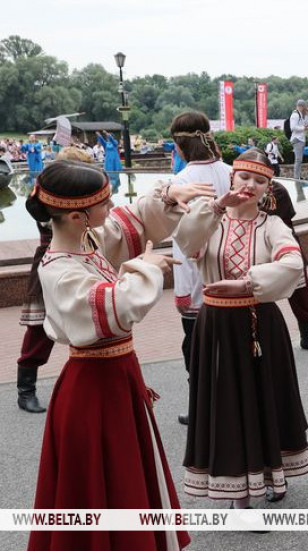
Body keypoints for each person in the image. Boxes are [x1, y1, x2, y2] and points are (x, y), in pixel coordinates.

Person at [26, 160, 213, 551]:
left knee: (120, 477)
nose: (112, 207)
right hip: (94, 390)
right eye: (104, 203)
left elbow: (128, 224)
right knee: (105, 480)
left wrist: (166, 199)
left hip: (113, 379)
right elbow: (113, 308)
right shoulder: (60, 272)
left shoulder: (85, 245)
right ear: (78, 216)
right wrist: (146, 270)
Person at [177, 149, 308, 509]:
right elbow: (187, 242)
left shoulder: (273, 225)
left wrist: (248, 284)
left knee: (264, 397)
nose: (250, 185)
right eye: (244, 177)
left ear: (268, 188)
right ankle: (237, 489)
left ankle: (270, 473)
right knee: (226, 402)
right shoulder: (210, 218)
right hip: (216, 323)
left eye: (260, 180)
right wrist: (217, 205)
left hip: (259, 325)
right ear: (232, 178)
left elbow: (294, 262)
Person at [15, 147, 96, 414]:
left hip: (82, 258)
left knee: (90, 321)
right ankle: (25, 391)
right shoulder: (46, 196)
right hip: (51, 261)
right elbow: (46, 218)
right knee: (39, 329)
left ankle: (90, 385)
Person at [167, 111, 233, 426]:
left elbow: (181, 239)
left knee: (195, 347)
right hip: (233, 270)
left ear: (178, 148)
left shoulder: (180, 183)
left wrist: (182, 291)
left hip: (196, 278)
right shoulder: (232, 173)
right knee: (230, 342)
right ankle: (235, 399)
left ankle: (202, 405)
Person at [263, 178, 308, 352]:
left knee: (300, 293)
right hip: (259, 250)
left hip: (286, 248)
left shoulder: (277, 190)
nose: (251, 182)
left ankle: (307, 337)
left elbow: (273, 217)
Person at [289, 99, 308, 179]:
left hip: (301, 139)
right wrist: (304, 128)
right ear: (301, 106)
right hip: (297, 139)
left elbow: (306, 124)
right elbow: (292, 128)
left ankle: (298, 176)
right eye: (304, 107)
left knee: (299, 160)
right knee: (298, 160)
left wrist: (307, 115)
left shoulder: (301, 115)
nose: (305, 108)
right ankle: (296, 177)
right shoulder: (295, 115)